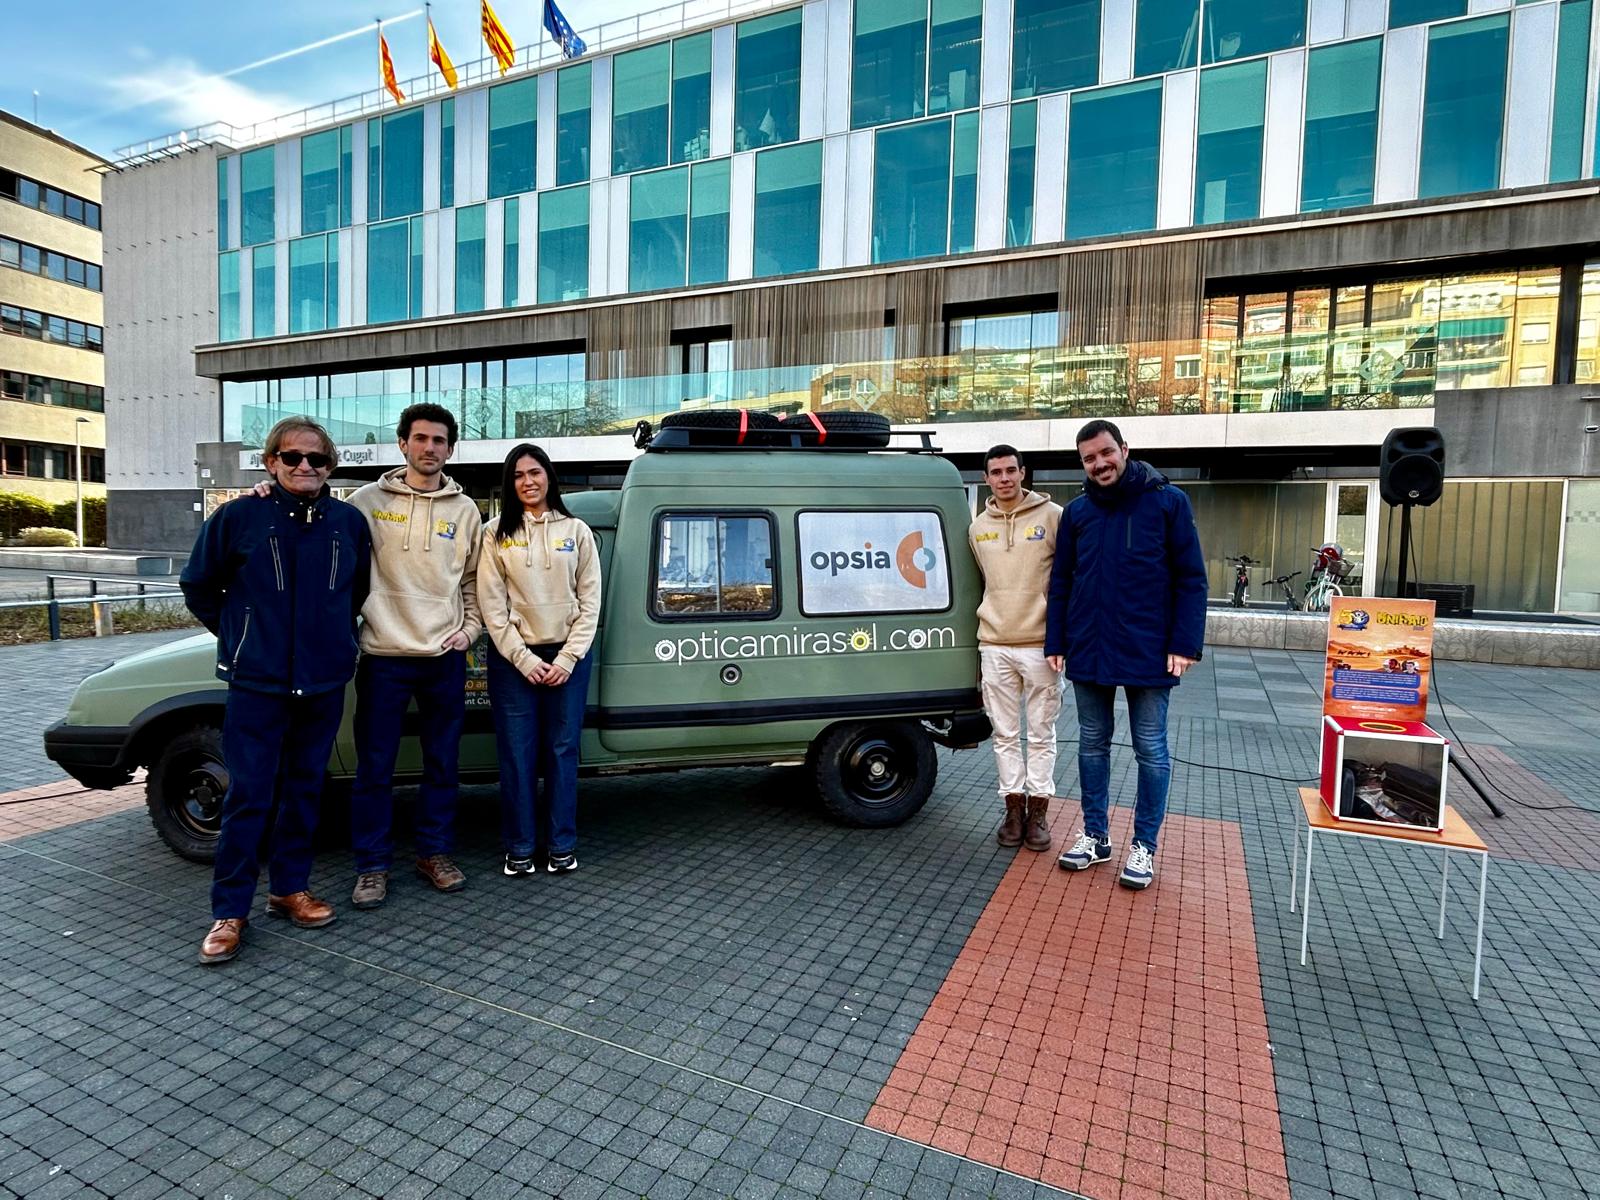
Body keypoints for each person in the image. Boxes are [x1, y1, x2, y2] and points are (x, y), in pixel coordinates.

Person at [181, 418, 371, 964]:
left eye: (317, 459)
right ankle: (229, 912)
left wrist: (334, 640)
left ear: (330, 466)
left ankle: (290, 889)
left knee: (305, 791)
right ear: (271, 463)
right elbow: (198, 585)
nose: (305, 466)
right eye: (292, 457)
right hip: (256, 684)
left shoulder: (348, 523)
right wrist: (242, 638)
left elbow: (356, 591)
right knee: (249, 797)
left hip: (322, 683)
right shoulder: (239, 516)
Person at [1046, 420, 1207, 890]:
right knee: (1091, 743)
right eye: (1089, 459)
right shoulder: (1077, 513)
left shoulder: (1168, 502)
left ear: (1125, 449)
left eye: (1105, 453)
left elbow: (1191, 578)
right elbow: (1062, 581)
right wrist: (1056, 640)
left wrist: (1184, 643)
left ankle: (1144, 846)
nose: (1099, 464)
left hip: (1149, 648)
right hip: (1089, 645)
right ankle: (1096, 836)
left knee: (1150, 748)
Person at [343, 403, 483, 908]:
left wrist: (470, 630)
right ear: (402, 443)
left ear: (450, 448)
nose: (430, 448)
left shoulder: (466, 511)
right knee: (375, 768)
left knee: (442, 763)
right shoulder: (364, 502)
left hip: (444, 656)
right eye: (420, 438)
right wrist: (266, 489)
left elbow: (474, 581)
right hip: (383, 656)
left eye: (439, 440)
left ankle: (434, 853)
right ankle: (372, 866)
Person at [476, 444, 601, 876]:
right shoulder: (494, 534)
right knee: (517, 754)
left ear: (549, 476)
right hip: (513, 661)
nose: (528, 481)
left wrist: (567, 658)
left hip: (569, 657)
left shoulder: (577, 531)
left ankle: (562, 845)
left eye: (535, 472)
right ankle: (521, 847)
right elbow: (492, 607)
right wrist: (524, 660)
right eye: (518, 475)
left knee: (563, 751)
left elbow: (591, 603)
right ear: (509, 483)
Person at [968, 443, 1063, 852]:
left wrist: (1061, 638)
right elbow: (983, 581)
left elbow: (1067, 580)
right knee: (1005, 734)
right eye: (996, 472)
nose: (1004, 478)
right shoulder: (977, 528)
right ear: (986, 478)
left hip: (1041, 645)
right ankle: (1013, 810)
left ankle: (1038, 812)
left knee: (1041, 733)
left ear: (1023, 473)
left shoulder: (1053, 516)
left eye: (1010, 470)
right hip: (994, 644)